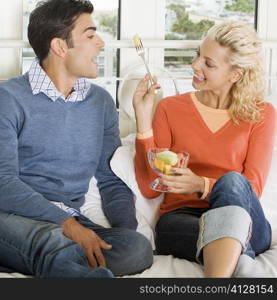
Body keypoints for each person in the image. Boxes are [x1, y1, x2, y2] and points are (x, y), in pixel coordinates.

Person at [0, 0, 153, 278]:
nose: (101, 44)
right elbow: (3, 183)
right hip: (12, 216)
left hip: (70, 221)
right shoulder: (7, 98)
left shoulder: (101, 102)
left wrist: (122, 232)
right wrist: (67, 225)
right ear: (60, 46)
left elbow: (110, 178)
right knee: (52, 242)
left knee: (137, 249)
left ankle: (34, 259)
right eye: (91, 35)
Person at [133, 21, 276, 278]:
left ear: (236, 75)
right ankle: (240, 264)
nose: (195, 65)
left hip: (247, 219)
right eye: (198, 54)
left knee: (233, 182)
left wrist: (201, 185)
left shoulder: (262, 114)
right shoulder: (170, 108)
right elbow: (149, 185)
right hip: (182, 219)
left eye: (209, 63)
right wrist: (143, 119)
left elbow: (251, 187)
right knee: (227, 239)